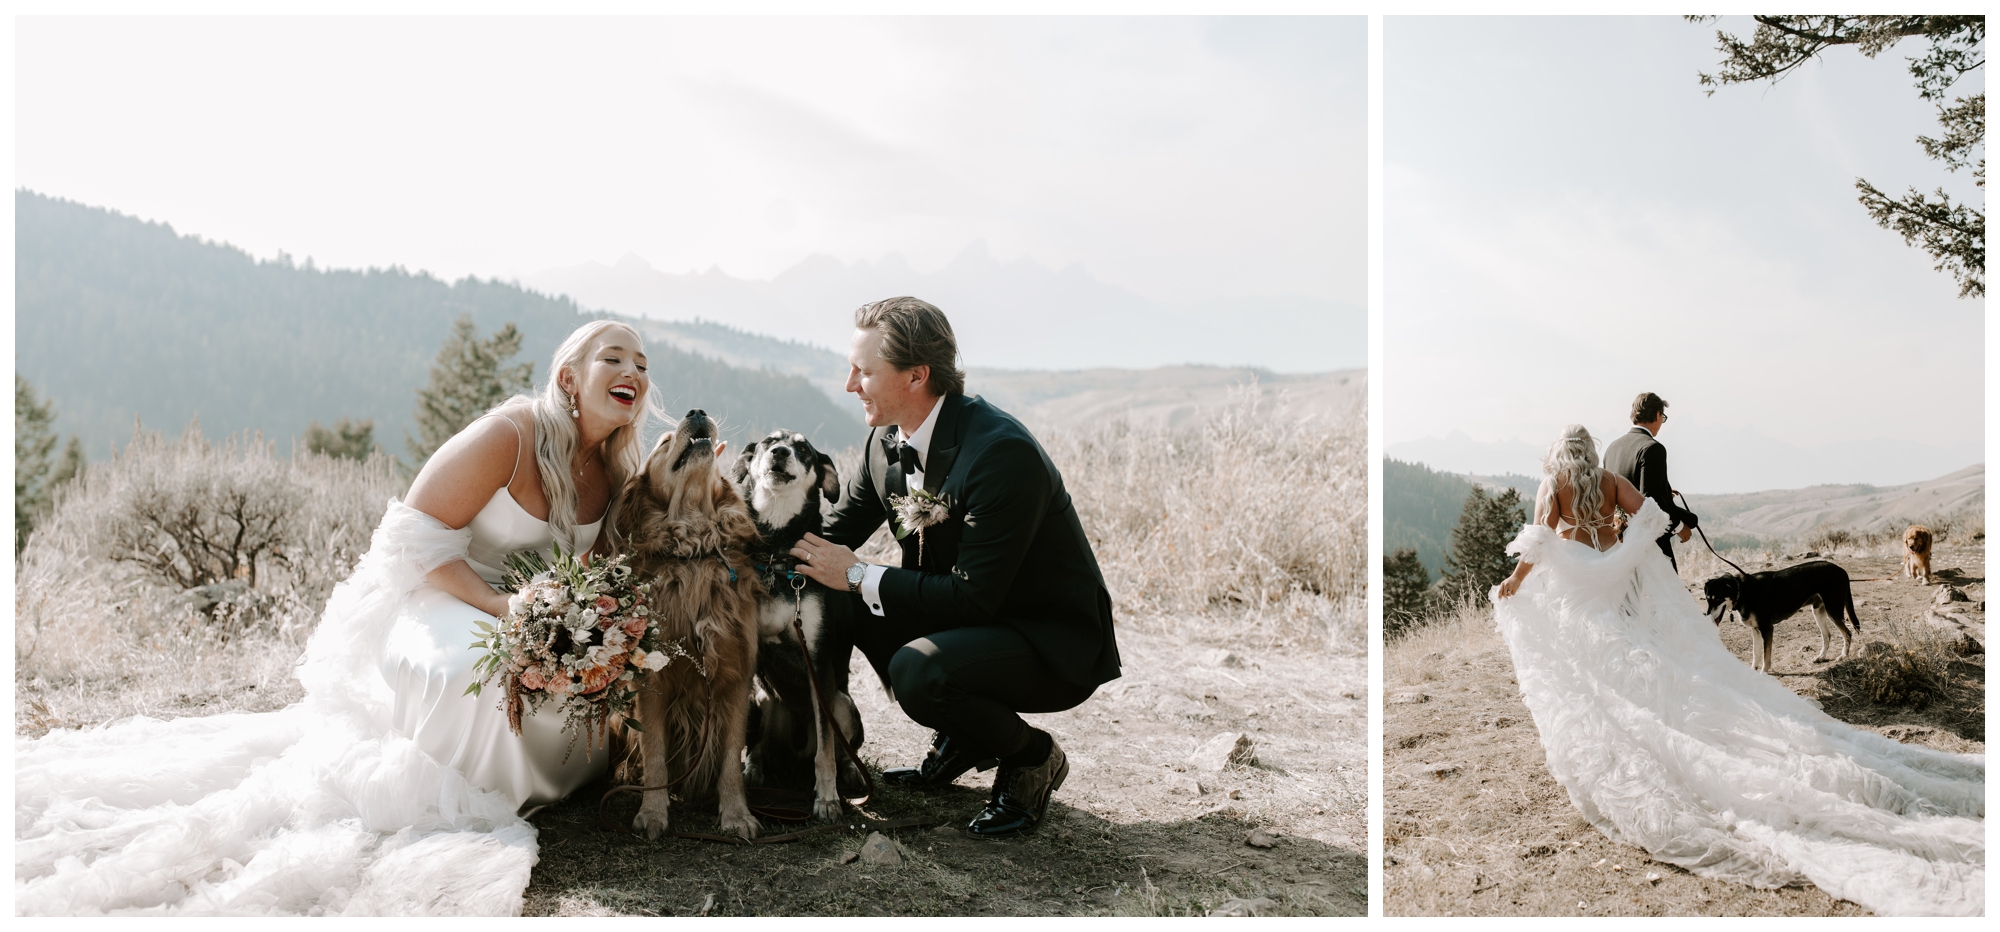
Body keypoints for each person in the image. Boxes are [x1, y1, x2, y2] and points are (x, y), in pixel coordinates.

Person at [16, 320, 663, 916]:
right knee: (477, 675)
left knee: (583, 685)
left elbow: (602, 579)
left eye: (641, 360)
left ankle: (553, 773)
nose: (631, 368)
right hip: (446, 593)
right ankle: (460, 785)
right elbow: (413, 536)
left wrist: (592, 631)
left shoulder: (615, 475)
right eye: (613, 356)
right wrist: (503, 608)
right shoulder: (513, 433)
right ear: (569, 377)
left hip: (534, 618)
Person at [1491, 425, 1985, 917]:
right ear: (1591, 451)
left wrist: (1514, 581)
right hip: (1617, 583)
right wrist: (1620, 552)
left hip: (1579, 591)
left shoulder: (1552, 486)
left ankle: (1623, 721)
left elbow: (1536, 544)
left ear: (1558, 454)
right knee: (1634, 648)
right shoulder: (1606, 481)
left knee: (1598, 662)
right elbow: (1653, 518)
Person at [787, 296, 1121, 838]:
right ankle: (965, 735)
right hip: (970, 620)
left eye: (864, 371)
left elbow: (973, 598)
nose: (850, 385)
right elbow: (831, 538)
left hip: (1044, 638)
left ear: (916, 375)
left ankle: (1032, 758)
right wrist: (734, 548)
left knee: (919, 671)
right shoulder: (885, 440)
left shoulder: (999, 453)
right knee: (846, 600)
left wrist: (855, 573)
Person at [1601, 391, 1698, 570]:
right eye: (1663, 417)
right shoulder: (1653, 448)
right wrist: (1679, 526)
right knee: (1668, 595)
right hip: (1650, 542)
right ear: (1657, 415)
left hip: (1619, 541)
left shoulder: (1611, 448)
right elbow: (1650, 501)